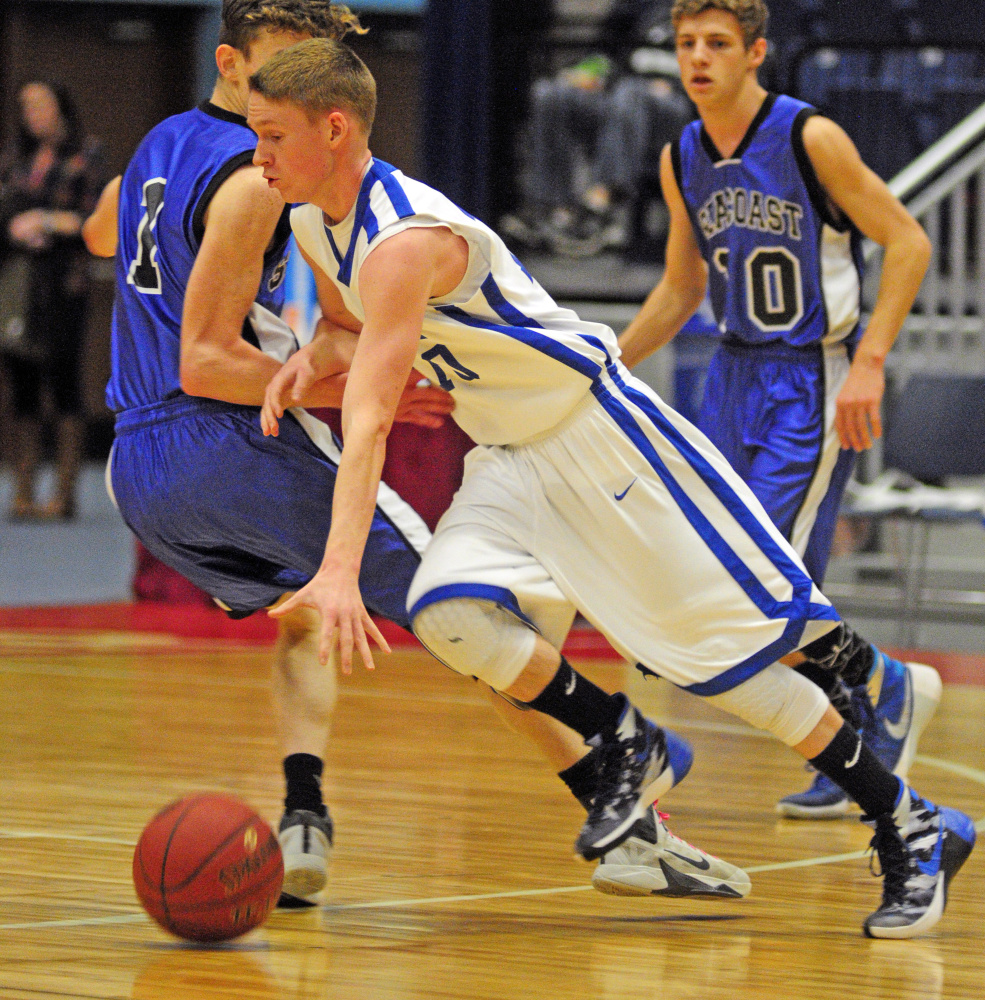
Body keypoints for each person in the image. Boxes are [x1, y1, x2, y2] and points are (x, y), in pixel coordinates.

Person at [252, 35, 974, 938]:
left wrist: (338, 568)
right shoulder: (318, 217)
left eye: (271, 136)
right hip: (509, 456)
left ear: (333, 127)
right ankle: (626, 738)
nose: (258, 158)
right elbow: (354, 330)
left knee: (728, 662)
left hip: (599, 438)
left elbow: (370, 416)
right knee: (449, 614)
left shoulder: (405, 237)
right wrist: (315, 349)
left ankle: (908, 820)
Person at [82, 0, 747, 907]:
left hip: (141, 475)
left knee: (310, 613)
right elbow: (204, 363)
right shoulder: (249, 174)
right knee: (465, 609)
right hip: (230, 444)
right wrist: (356, 387)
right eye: (283, 66)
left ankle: (304, 811)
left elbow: (100, 233)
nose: (297, 85)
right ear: (234, 63)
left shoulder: (163, 141)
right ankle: (628, 798)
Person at [616, 0, 942, 821]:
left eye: (716, 44)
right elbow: (682, 288)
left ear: (755, 52)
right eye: (686, 43)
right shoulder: (681, 152)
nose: (698, 58)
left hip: (812, 373)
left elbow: (906, 241)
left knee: (761, 580)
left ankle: (886, 688)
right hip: (731, 375)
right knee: (740, 571)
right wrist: (600, 364)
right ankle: (869, 719)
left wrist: (869, 362)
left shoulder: (808, 137)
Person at [500, 0, 692, 256]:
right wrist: (588, 74)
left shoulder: (713, 8)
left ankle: (601, 208)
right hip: (623, 103)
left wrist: (680, 86)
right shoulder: (640, 6)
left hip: (680, 107)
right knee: (552, 93)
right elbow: (605, 52)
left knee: (631, 92)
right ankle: (550, 211)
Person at [0, 81, 105, 520]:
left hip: (65, 284)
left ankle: (64, 493)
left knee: (63, 381)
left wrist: (48, 220)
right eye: (26, 108)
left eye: (41, 105)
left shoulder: (86, 153)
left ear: (61, 107)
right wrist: (15, 228)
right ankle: (23, 490)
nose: (33, 115)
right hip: (20, 284)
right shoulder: (17, 159)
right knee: (21, 381)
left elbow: (98, 218)